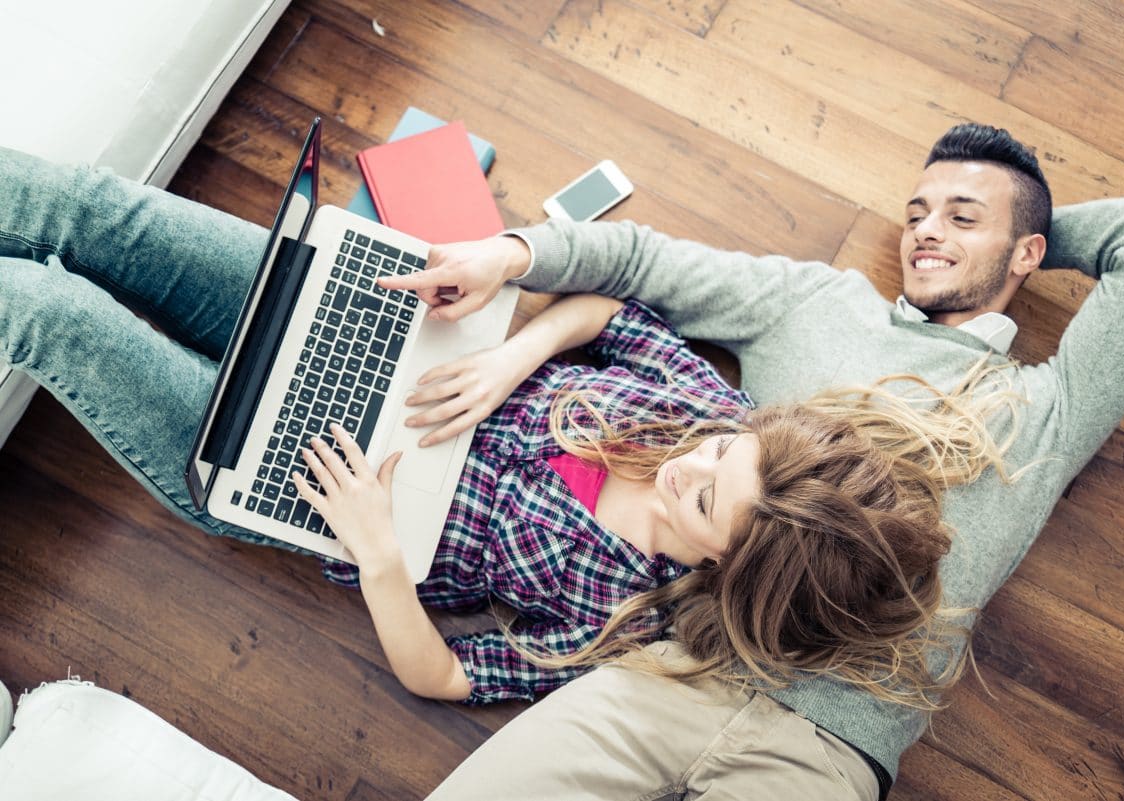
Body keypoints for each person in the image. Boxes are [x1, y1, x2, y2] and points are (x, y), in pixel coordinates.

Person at [0, 142, 1005, 712]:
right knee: (92, 213)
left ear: (724, 567)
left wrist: (381, 557)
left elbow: (442, 674)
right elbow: (611, 314)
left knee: (48, 312)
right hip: (365, 340)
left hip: (296, 481)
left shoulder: (633, 623)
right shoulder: (716, 420)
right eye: (717, 450)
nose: (688, 462)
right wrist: (512, 356)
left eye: (703, 495)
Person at [369, 123, 1124, 800]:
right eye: (917, 212)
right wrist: (513, 255)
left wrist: (1029, 231)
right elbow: (643, 264)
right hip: (674, 667)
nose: (926, 231)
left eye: (961, 214)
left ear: (1026, 252)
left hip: (828, 748)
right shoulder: (818, 304)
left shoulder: (1046, 409)